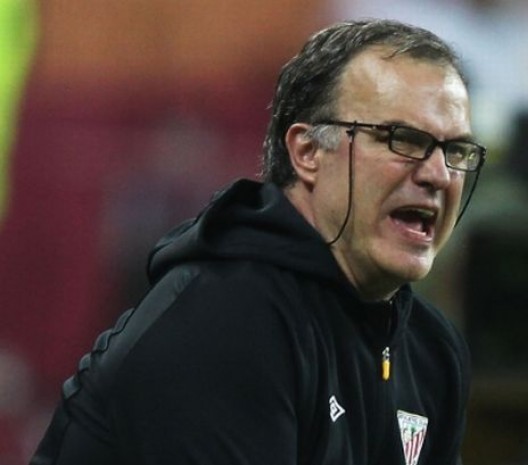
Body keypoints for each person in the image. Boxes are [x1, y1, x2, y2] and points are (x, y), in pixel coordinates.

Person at [30, 19, 486, 465]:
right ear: (308, 152)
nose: (439, 175)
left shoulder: (431, 350)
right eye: (404, 139)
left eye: (456, 151)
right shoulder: (224, 322)